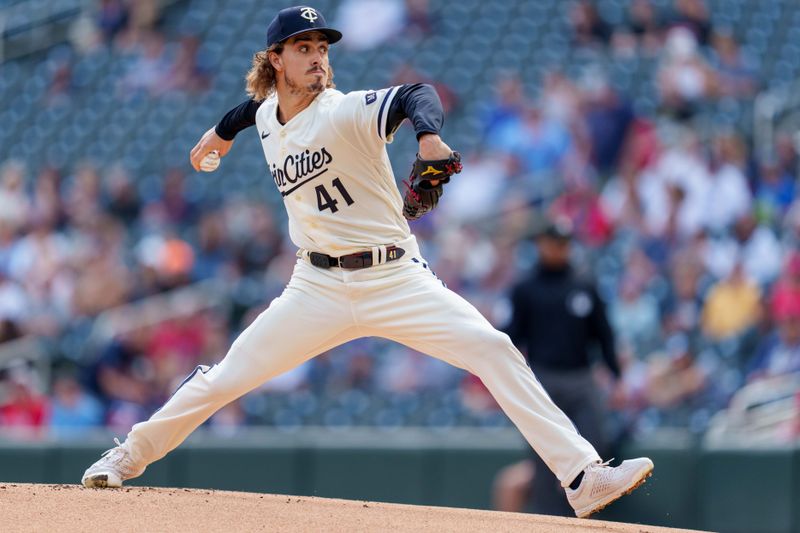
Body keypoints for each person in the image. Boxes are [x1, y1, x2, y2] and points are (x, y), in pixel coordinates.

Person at [81, 6, 653, 518]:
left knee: (493, 348)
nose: (317, 58)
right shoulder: (264, 116)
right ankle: (125, 456)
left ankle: (583, 477)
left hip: (393, 277)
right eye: (304, 48)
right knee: (225, 377)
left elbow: (414, 95)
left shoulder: (344, 111)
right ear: (275, 59)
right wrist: (218, 133)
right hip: (315, 287)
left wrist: (428, 139)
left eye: (322, 48)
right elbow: (251, 111)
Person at [495, 218, 621, 516]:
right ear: (541, 244)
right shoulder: (525, 288)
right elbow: (513, 335)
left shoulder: (584, 284)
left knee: (595, 445)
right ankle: (549, 520)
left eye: (565, 243)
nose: (560, 249)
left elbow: (603, 333)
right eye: (554, 242)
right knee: (543, 456)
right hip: (544, 380)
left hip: (581, 377)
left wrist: (616, 375)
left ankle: (590, 514)